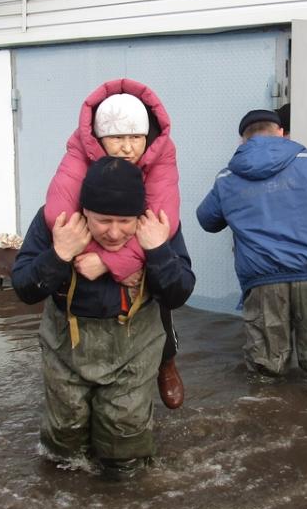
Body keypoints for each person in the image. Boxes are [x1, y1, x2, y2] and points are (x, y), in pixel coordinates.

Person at [13, 156, 196, 479]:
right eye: (103, 221)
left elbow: (178, 294)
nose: (114, 232)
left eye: (125, 222)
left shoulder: (157, 226)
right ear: (84, 212)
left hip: (134, 343)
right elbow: (25, 288)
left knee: (124, 444)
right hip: (66, 343)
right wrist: (59, 254)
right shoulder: (55, 222)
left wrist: (156, 252)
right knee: (64, 443)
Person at [196, 109, 307, 393]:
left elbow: (207, 220)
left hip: (263, 281)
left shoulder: (227, 177)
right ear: (281, 132)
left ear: (242, 141)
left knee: (265, 372)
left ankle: (268, 421)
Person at [44, 78, 186, 410]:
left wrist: (114, 262)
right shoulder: (79, 151)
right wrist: (93, 254)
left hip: (138, 233)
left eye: (135, 137)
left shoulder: (160, 153)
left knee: (160, 289)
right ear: (98, 137)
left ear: (146, 136)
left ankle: (166, 362)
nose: (127, 148)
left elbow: (162, 220)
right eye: (116, 138)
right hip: (88, 242)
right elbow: (60, 214)